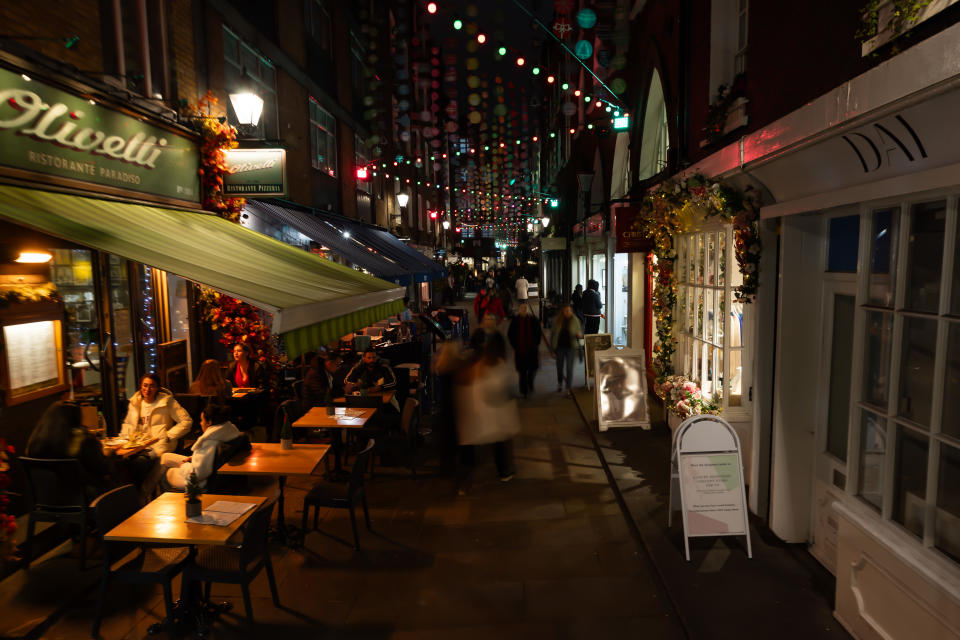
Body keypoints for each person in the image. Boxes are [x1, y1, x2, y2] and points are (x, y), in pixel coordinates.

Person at [455, 331, 517, 484]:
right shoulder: (493, 366)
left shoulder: (476, 365)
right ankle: (503, 472)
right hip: (491, 414)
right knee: (500, 444)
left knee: (481, 447)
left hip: (478, 415)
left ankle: (466, 479)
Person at [119, 373, 193, 495]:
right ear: (140, 386)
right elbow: (128, 424)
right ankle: (133, 496)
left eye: (152, 386)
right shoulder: (135, 402)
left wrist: (168, 436)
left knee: (139, 464)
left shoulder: (167, 401)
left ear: (158, 388)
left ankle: (140, 496)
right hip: (138, 445)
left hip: (158, 445)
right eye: (145, 385)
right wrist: (123, 440)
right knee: (122, 463)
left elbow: (186, 421)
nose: (147, 389)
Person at [26, 401, 110, 495]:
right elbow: (102, 469)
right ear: (77, 418)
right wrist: (112, 455)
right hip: (84, 498)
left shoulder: (35, 443)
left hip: (46, 499)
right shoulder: (85, 441)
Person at [160, 400, 240, 491]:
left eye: (202, 420)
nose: (200, 423)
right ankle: (147, 491)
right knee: (165, 457)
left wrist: (184, 467)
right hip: (200, 469)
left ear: (209, 422)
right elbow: (207, 459)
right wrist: (193, 458)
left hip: (199, 484)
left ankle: (163, 498)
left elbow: (198, 474)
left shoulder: (209, 442)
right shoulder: (226, 431)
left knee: (167, 472)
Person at [507, 303, 543, 398]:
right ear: (519, 310)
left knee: (532, 370)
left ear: (528, 310)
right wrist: (515, 345)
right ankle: (523, 390)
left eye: (525, 308)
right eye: (522, 308)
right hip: (520, 350)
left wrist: (536, 343)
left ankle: (530, 383)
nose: (524, 309)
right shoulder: (515, 320)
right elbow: (510, 334)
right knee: (522, 372)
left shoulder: (533, 319)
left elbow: (538, 332)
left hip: (532, 349)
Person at [550, 304, 583, 393]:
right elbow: (552, 335)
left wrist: (579, 335)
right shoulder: (557, 321)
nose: (568, 312)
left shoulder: (575, 320)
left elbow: (580, 333)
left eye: (569, 310)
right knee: (559, 367)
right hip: (559, 347)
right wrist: (552, 350)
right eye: (566, 310)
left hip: (571, 347)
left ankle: (568, 387)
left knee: (569, 368)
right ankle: (560, 383)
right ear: (562, 311)